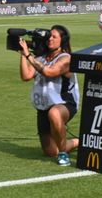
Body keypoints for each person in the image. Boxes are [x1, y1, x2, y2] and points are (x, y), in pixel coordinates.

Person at [19, 25, 79, 166]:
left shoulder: (66, 59)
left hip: (64, 103)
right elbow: (26, 76)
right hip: (43, 107)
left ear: (62, 40)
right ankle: (79, 142)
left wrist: (29, 56)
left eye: (54, 36)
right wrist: (22, 55)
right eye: (49, 36)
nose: (49, 39)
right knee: (50, 151)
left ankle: (63, 154)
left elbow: (50, 72)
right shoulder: (41, 58)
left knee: (54, 113)